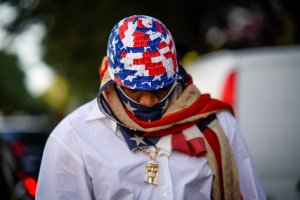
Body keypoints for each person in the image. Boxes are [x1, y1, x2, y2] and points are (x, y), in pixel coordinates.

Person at [36, 15, 266, 200]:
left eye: (160, 90)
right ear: (112, 80)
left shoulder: (217, 125)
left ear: (176, 76)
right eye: (135, 92)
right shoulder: (72, 139)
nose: (149, 102)